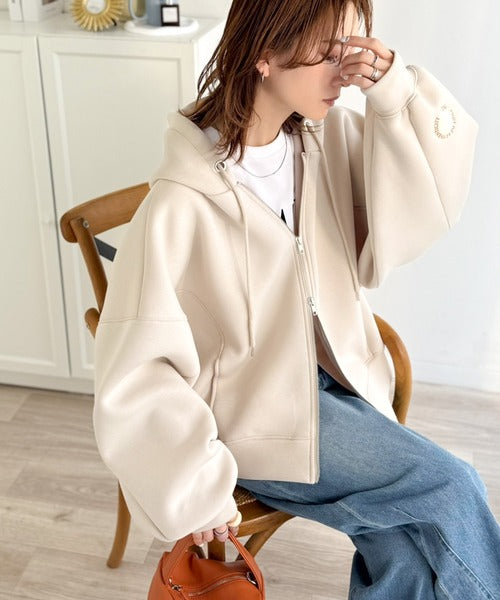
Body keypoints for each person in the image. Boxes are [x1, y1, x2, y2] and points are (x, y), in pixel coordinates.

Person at [93, 0, 500, 598]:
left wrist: (393, 90)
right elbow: (134, 369)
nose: (345, 73)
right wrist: (192, 484)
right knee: (452, 488)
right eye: (328, 53)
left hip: (342, 376)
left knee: (405, 548)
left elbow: (430, 193)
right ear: (265, 53)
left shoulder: (321, 142)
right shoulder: (181, 200)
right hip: (259, 415)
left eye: (352, 49)